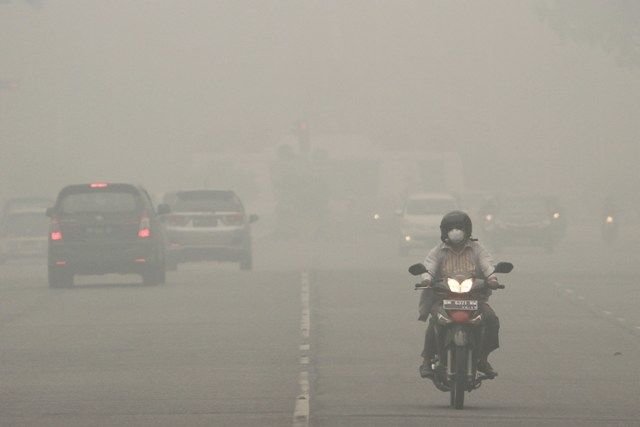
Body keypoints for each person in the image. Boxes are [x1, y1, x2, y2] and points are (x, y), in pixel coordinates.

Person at [418, 211, 501, 379]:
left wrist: (492, 278)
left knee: (491, 319)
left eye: (459, 228)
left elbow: (487, 264)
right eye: (451, 228)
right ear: (444, 231)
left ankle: (483, 359)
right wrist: (427, 279)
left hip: (474, 298)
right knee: (434, 321)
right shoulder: (438, 251)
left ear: (467, 230)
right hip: (444, 298)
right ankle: (427, 360)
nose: (455, 231)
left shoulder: (477, 249)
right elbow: (429, 266)